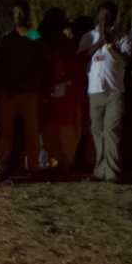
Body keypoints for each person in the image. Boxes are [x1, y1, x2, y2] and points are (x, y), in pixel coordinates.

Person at [0, 1, 45, 178]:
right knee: (6, 131)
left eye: (21, 12)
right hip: (9, 91)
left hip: (29, 91)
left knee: (31, 130)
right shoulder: (7, 38)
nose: (18, 16)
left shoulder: (33, 34)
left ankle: (33, 166)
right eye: (15, 12)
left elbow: (43, 60)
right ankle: (5, 165)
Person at [81, 2, 130, 182]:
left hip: (114, 92)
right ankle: (99, 171)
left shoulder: (122, 37)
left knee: (111, 131)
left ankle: (112, 173)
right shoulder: (89, 36)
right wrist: (100, 41)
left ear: (114, 17)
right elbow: (81, 58)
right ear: (97, 16)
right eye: (102, 15)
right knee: (97, 132)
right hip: (94, 92)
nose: (104, 19)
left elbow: (125, 61)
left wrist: (109, 43)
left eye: (108, 16)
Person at [41, 14, 83, 175]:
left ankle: (65, 162)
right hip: (52, 89)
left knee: (65, 127)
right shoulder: (42, 40)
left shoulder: (69, 45)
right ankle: (56, 161)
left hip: (66, 90)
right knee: (53, 127)